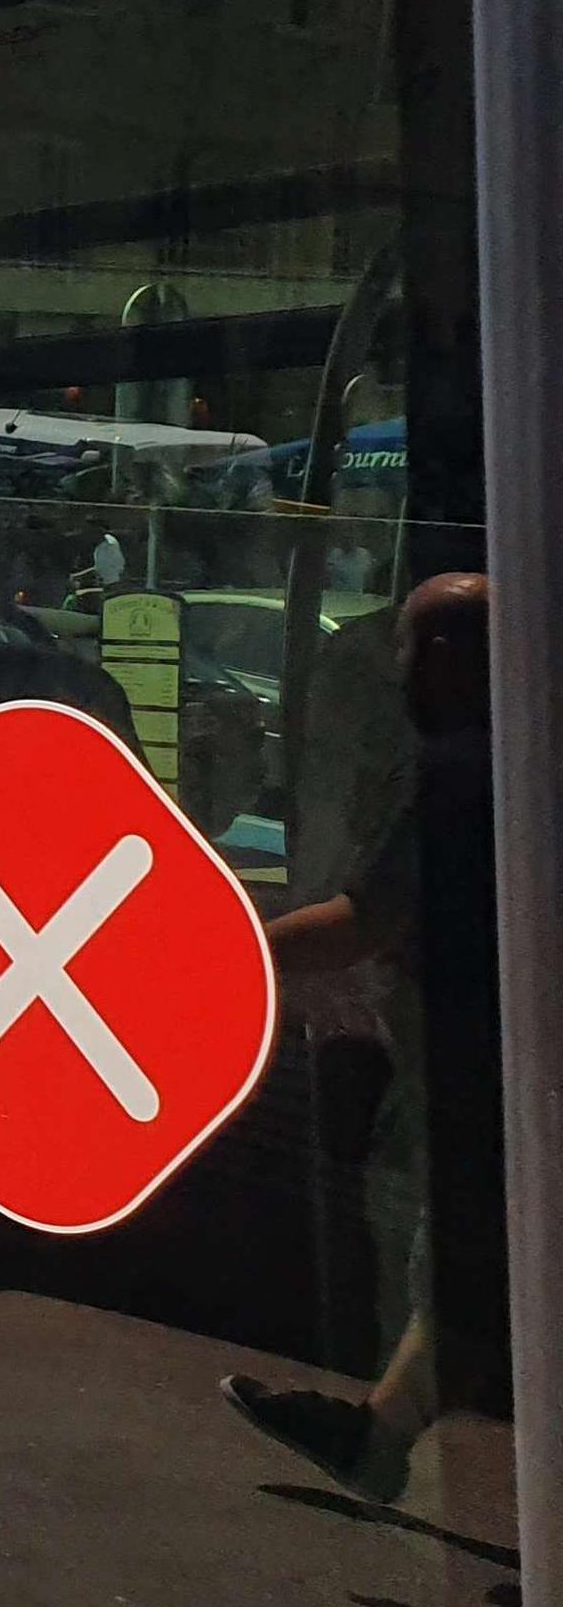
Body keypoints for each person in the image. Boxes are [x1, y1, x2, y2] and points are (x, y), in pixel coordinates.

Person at [224, 572, 499, 1502]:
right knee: (463, 1266)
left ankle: (374, 1441)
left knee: (467, 1264)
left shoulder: (459, 773)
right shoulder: (514, 762)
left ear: (453, 659)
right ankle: (375, 1439)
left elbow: (366, 919)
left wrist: (235, 954)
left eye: (412, 646)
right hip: (472, 1065)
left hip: (475, 1067)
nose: (397, 668)